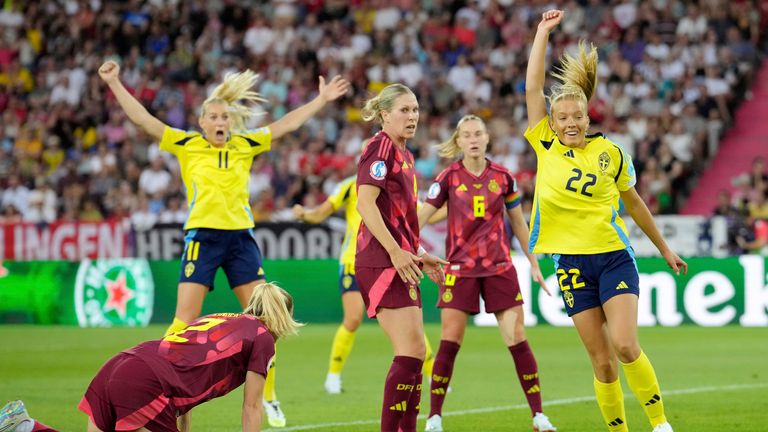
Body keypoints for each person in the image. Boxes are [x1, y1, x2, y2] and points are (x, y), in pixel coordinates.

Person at [98, 61, 349, 428]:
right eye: (212, 116)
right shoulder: (187, 144)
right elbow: (144, 121)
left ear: (231, 122)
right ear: (201, 122)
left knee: (266, 319)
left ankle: (269, 397)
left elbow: (286, 125)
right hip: (202, 236)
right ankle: (174, 399)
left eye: (224, 116)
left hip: (241, 238)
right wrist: (115, 82)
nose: (219, 121)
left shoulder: (245, 145)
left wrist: (321, 99)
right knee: (183, 322)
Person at [525, 10, 687, 432]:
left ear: (587, 118)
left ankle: (659, 423)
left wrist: (664, 248)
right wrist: (542, 32)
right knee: (602, 362)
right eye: (561, 118)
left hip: (613, 256)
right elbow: (532, 87)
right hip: (572, 265)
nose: (570, 123)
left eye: (576, 117)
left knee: (625, 344)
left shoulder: (611, 154)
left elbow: (634, 205)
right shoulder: (544, 144)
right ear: (553, 125)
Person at [0, 283, 301, 432]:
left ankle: (27, 427)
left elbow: (186, 391)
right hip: (146, 383)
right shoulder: (263, 339)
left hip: (122, 363)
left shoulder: (221, 318)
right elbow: (251, 407)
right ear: (282, 317)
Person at [417, 114, 557, 432]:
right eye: (466, 135)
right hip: (460, 269)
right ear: (459, 141)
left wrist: (533, 261)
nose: (473, 139)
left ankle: (538, 415)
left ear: (487, 138)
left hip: (499, 268)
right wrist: (416, 253)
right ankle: (434, 417)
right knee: (449, 341)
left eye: (478, 133)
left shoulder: (504, 177)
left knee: (517, 338)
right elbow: (421, 218)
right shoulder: (448, 178)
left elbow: (518, 222)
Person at [354, 83, 447, 432]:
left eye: (416, 109)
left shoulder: (405, 155)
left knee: (417, 351)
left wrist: (420, 254)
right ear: (384, 114)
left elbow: (403, 220)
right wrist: (395, 252)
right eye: (404, 110)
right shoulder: (380, 148)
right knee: (410, 351)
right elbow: (365, 204)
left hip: (400, 261)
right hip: (381, 261)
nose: (412, 116)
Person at [292, 177, 437, 395]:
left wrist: (454, 205)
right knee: (352, 319)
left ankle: (433, 375)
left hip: (389, 260)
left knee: (408, 320)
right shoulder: (350, 185)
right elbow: (322, 212)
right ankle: (333, 376)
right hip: (353, 260)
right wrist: (304, 214)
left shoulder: (398, 184)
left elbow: (424, 214)